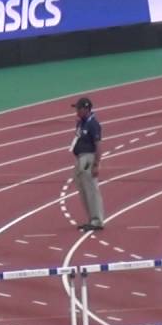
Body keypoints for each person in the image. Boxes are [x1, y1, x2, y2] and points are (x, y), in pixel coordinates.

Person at [71, 96, 105, 231]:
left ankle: (97, 219)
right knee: (82, 187)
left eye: (78, 108)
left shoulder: (93, 124)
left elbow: (98, 145)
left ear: (86, 109)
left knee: (90, 187)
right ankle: (91, 218)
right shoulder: (82, 122)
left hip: (88, 158)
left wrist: (96, 164)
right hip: (80, 158)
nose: (76, 111)